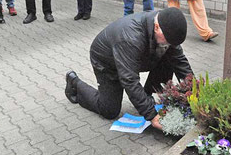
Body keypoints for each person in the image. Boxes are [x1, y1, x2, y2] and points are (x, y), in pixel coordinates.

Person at [65, 8, 193, 130]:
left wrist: (196, 94)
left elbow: (180, 63)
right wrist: (152, 116)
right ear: (157, 27)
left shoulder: (165, 25)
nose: (169, 45)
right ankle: (75, 83)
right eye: (168, 41)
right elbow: (129, 80)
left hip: (137, 56)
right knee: (109, 110)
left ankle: (148, 98)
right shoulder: (131, 37)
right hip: (106, 62)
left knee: (169, 57)